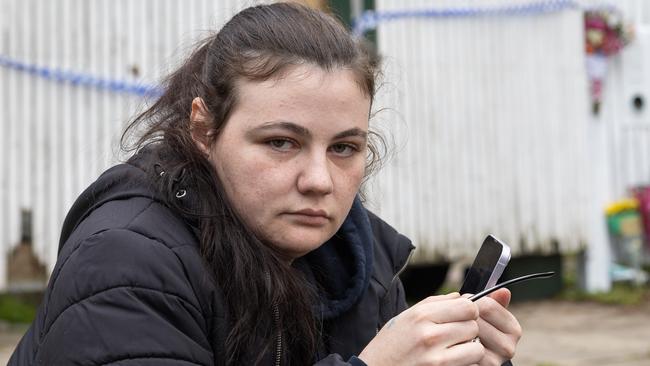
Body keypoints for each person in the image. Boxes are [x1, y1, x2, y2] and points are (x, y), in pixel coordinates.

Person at [9, 3, 521, 365]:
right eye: (281, 142)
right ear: (205, 130)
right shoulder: (127, 261)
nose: (319, 181)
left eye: (344, 148)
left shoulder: (359, 268)